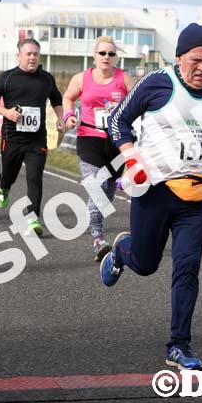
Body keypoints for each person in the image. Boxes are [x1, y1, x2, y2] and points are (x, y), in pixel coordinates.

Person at [101, 23, 202, 370]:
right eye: (196, 60)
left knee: (188, 268)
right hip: (154, 191)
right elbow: (118, 121)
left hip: (196, 196)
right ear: (179, 58)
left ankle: (178, 344)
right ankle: (121, 249)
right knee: (147, 264)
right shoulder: (157, 83)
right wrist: (133, 159)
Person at [62, 36, 135, 261]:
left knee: (108, 192)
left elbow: (138, 103)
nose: (106, 57)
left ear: (116, 58)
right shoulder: (82, 78)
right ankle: (98, 239)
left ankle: (97, 226)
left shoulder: (125, 79)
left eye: (111, 54)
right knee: (98, 186)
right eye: (102, 53)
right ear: (94, 55)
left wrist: (126, 113)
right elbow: (67, 97)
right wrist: (68, 115)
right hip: (89, 137)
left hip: (116, 141)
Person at [0, 38, 63, 235]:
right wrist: (6, 112)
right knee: (9, 173)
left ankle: (33, 219)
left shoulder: (46, 78)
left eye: (36, 54)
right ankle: (4, 187)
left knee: (34, 177)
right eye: (28, 54)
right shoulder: (7, 77)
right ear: (19, 56)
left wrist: (61, 118)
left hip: (37, 139)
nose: (32, 57)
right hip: (12, 137)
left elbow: (56, 99)